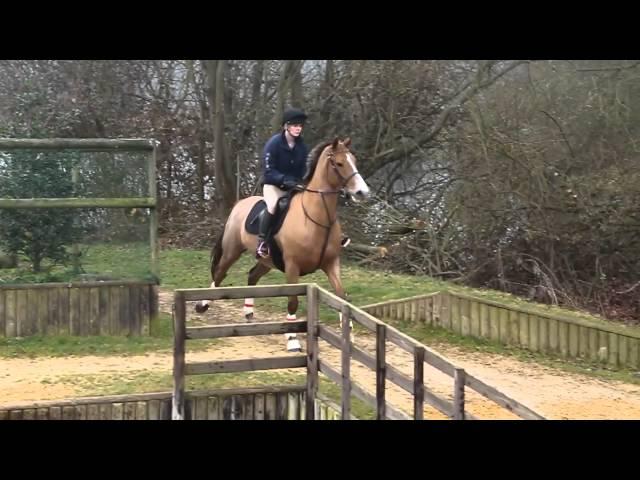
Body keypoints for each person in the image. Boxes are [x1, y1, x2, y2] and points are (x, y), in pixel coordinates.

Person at [256, 108, 309, 258]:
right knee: (273, 205)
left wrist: (302, 182)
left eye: (300, 126)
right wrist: (285, 180)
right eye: (294, 125)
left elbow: (303, 170)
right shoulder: (274, 144)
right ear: (286, 126)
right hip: (273, 185)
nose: (298, 128)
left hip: (292, 186)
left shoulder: (302, 147)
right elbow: (268, 171)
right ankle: (262, 242)